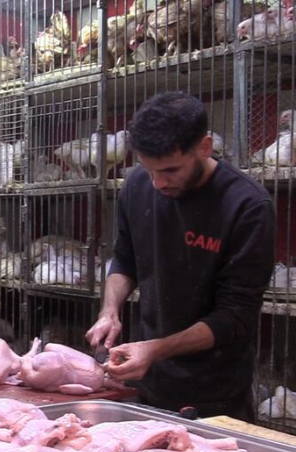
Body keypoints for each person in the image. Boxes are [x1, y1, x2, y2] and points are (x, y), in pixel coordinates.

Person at [86, 92, 275, 419]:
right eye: (148, 170)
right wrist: (110, 311)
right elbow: (124, 259)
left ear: (204, 147)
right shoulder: (136, 186)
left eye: (171, 170)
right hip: (149, 381)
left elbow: (234, 316)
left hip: (215, 394)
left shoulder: (247, 205)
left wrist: (154, 349)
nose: (158, 183)